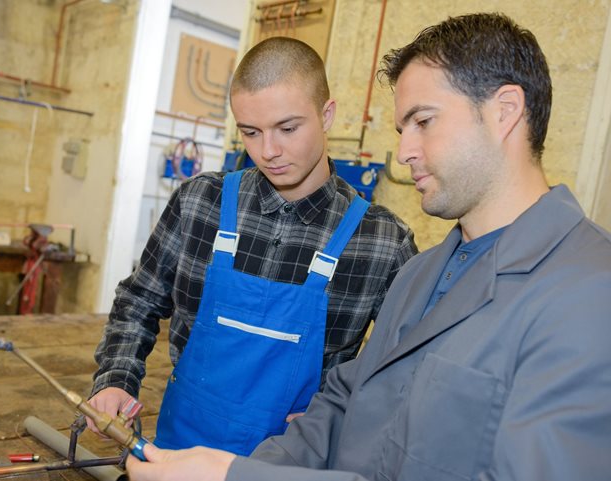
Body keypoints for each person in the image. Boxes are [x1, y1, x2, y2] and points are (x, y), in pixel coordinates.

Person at [124, 12, 611, 481]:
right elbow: (344, 405)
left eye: (423, 122)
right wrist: (232, 471)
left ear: (504, 111)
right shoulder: (420, 276)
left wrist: (239, 475)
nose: (403, 152)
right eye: (403, 130)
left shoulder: (591, 293)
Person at [88, 36, 417, 456]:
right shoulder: (199, 203)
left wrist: (348, 411)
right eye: (250, 131)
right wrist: (116, 379)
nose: (269, 151)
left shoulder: (383, 243)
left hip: (293, 462)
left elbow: (406, 366)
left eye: (288, 128)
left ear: (327, 114)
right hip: (180, 453)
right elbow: (138, 301)